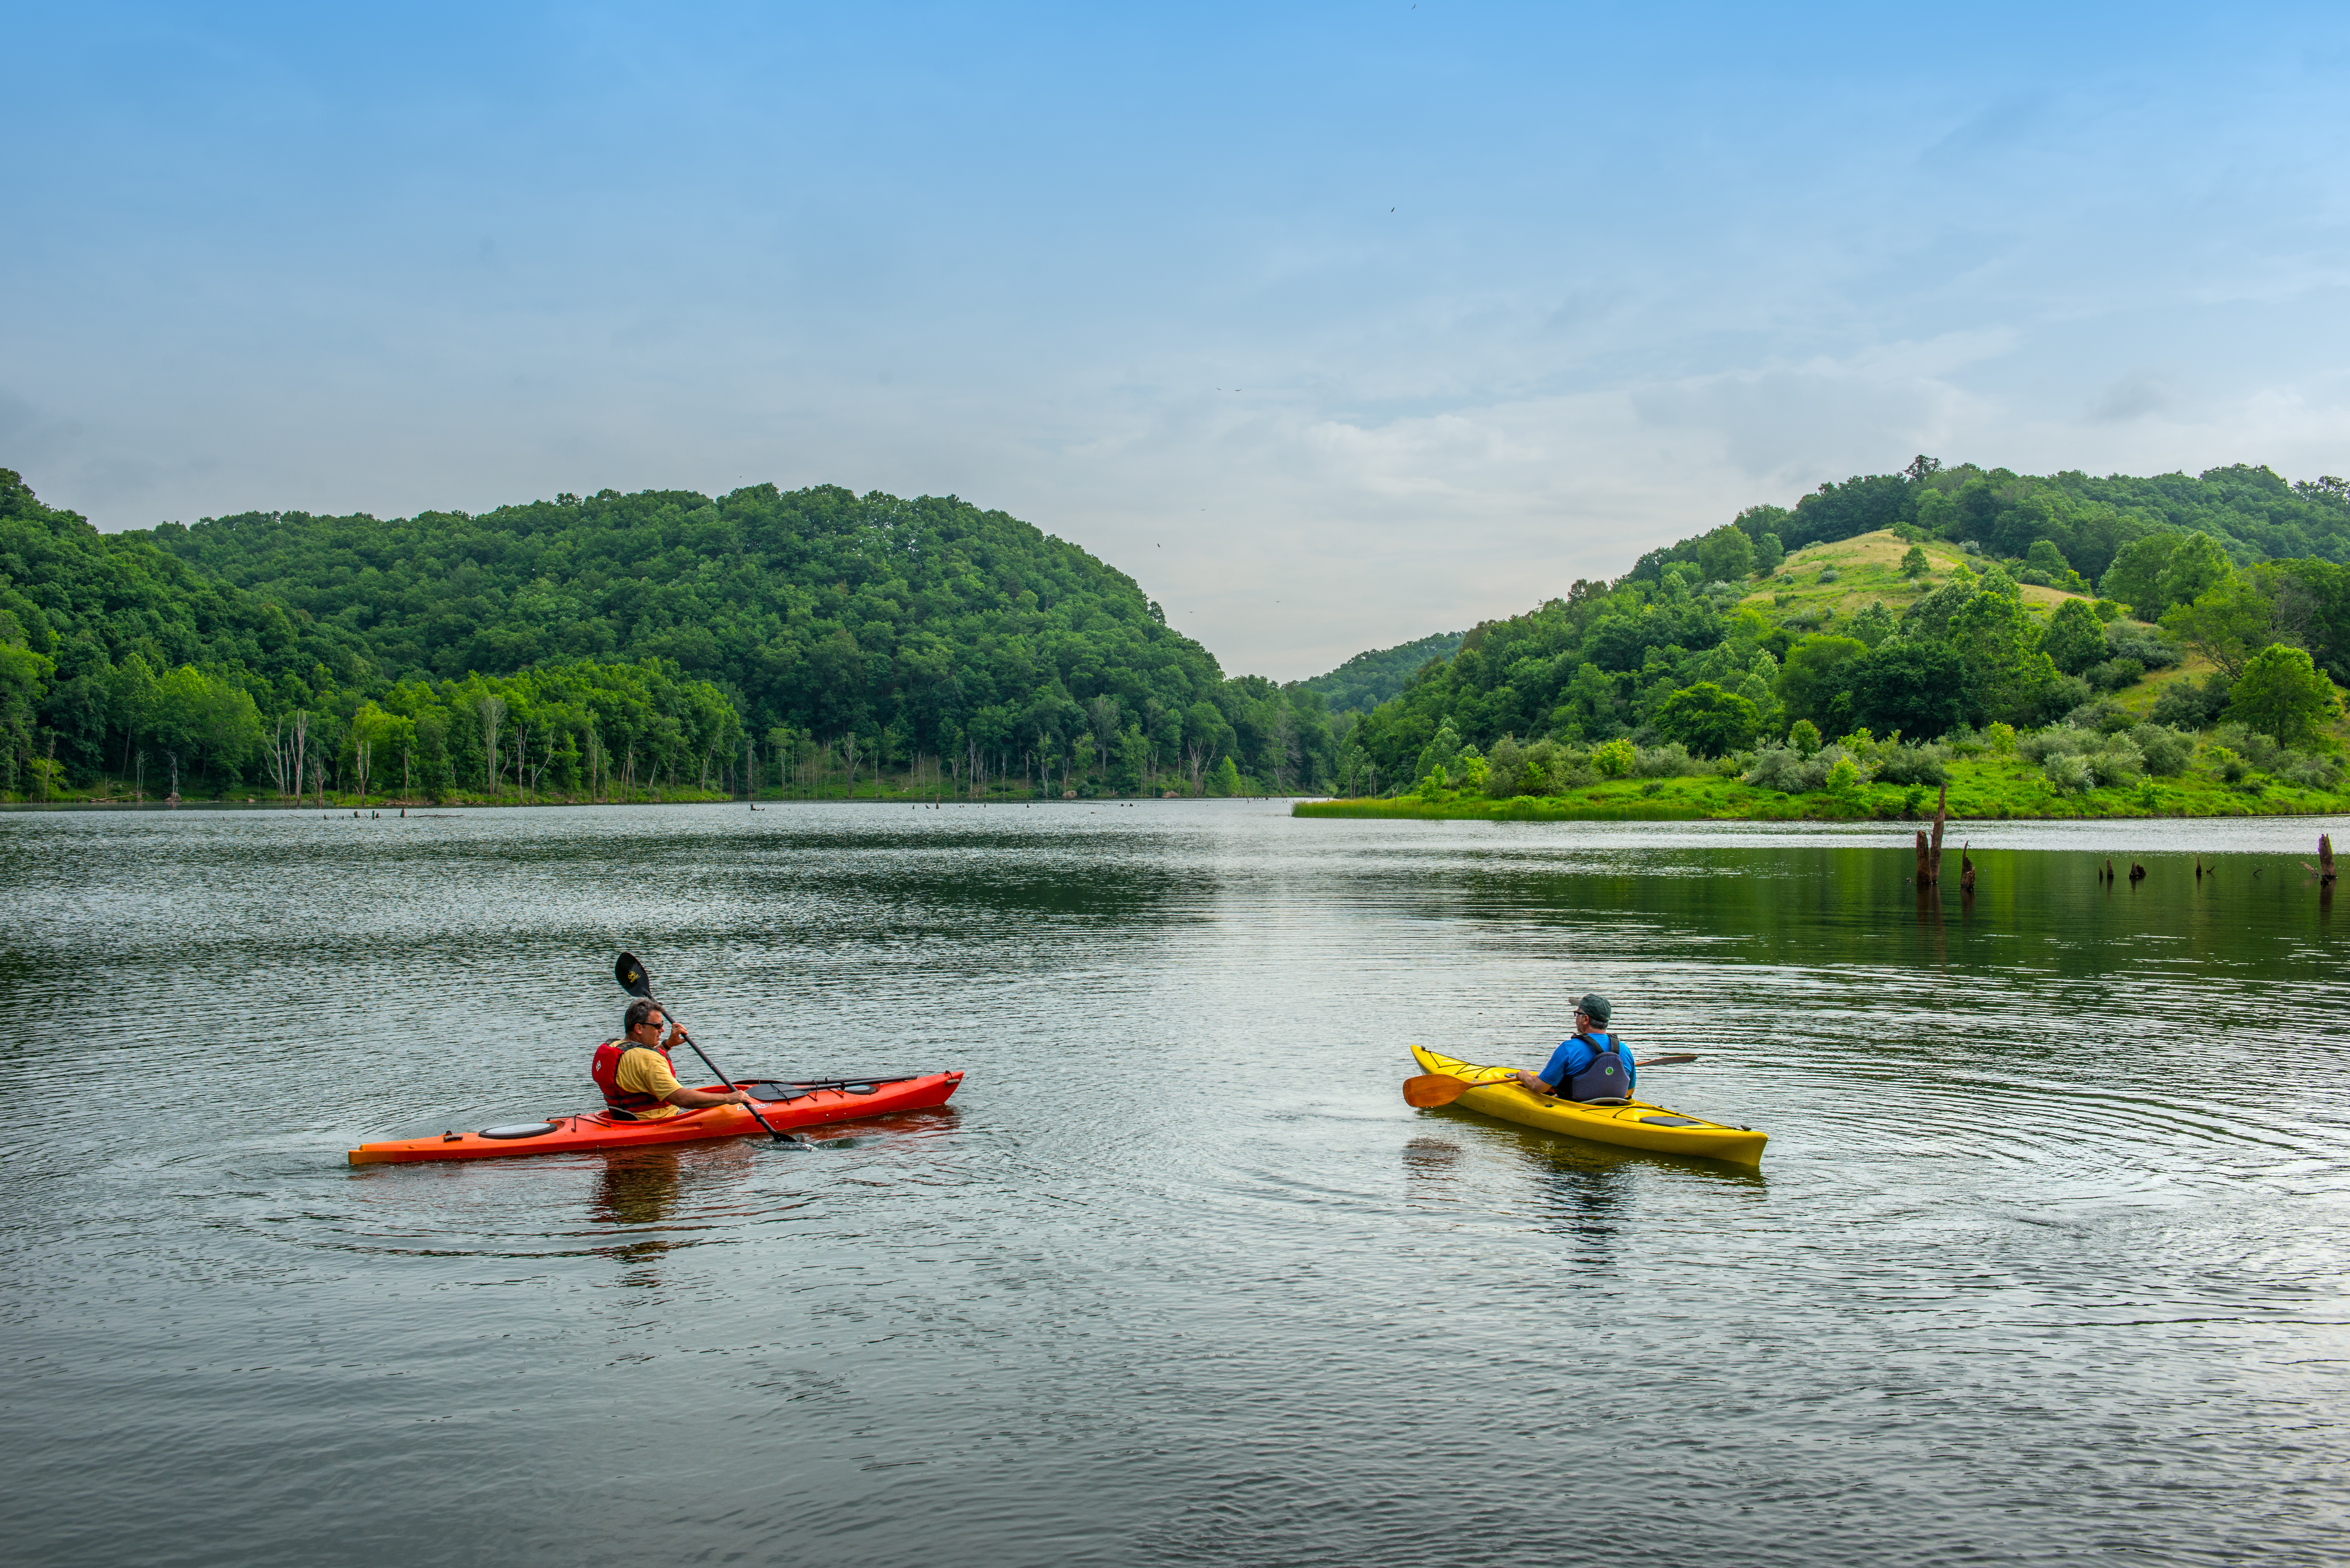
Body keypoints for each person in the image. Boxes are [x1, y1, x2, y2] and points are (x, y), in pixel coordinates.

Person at [590, 999, 757, 1119]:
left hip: (623, 1118)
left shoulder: (614, 1047)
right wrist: (729, 1098)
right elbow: (680, 1099)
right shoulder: (649, 1060)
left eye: (662, 1024)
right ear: (639, 1028)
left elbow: (638, 1066)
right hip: (658, 1121)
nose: (663, 1030)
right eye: (657, 1026)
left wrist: (668, 1045)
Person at [1513, 994, 1635, 1103]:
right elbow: (1629, 1092)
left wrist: (1525, 1077)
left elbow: (1537, 1088)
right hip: (1612, 1109)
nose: (1576, 1018)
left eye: (1577, 1014)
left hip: (1576, 1109)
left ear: (1586, 1019)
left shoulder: (1569, 1049)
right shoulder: (1624, 1050)